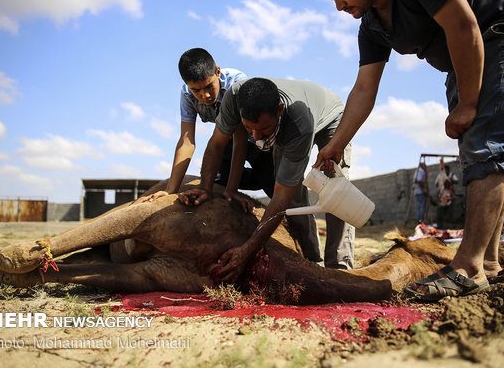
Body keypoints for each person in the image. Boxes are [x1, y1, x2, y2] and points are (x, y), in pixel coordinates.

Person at [313, 0, 504, 300]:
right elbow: (364, 89)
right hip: (461, 57)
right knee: (476, 153)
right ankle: (490, 262)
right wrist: (335, 145)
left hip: (501, 30)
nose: (339, 6)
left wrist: (467, 104)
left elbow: (463, 25)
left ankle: (467, 267)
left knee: (488, 146)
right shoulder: (373, 27)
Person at [179, 77, 355, 281]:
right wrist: (206, 188)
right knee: (295, 202)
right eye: (248, 128)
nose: (257, 136)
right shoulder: (234, 96)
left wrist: (248, 250)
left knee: (336, 192)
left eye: (262, 129)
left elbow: (281, 197)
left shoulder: (298, 125)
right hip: (289, 122)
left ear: (279, 111)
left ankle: (340, 269)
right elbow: (216, 144)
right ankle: (311, 261)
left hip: (330, 118)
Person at [135, 48, 274, 204]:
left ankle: (270, 177)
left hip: (257, 139)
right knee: (214, 178)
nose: (205, 95)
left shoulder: (236, 85)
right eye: (196, 90)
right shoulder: (187, 94)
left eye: (209, 86)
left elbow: (240, 139)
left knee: (273, 184)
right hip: (228, 137)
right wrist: (170, 190)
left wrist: (231, 190)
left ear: (218, 72)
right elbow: (187, 142)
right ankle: (259, 178)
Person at [435, 158, 459, 228]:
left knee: (450, 211)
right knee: (441, 210)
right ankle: (441, 224)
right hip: (442, 196)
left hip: (449, 196)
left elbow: (457, 181)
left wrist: (450, 180)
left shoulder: (452, 175)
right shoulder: (440, 176)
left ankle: (449, 223)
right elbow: (436, 184)